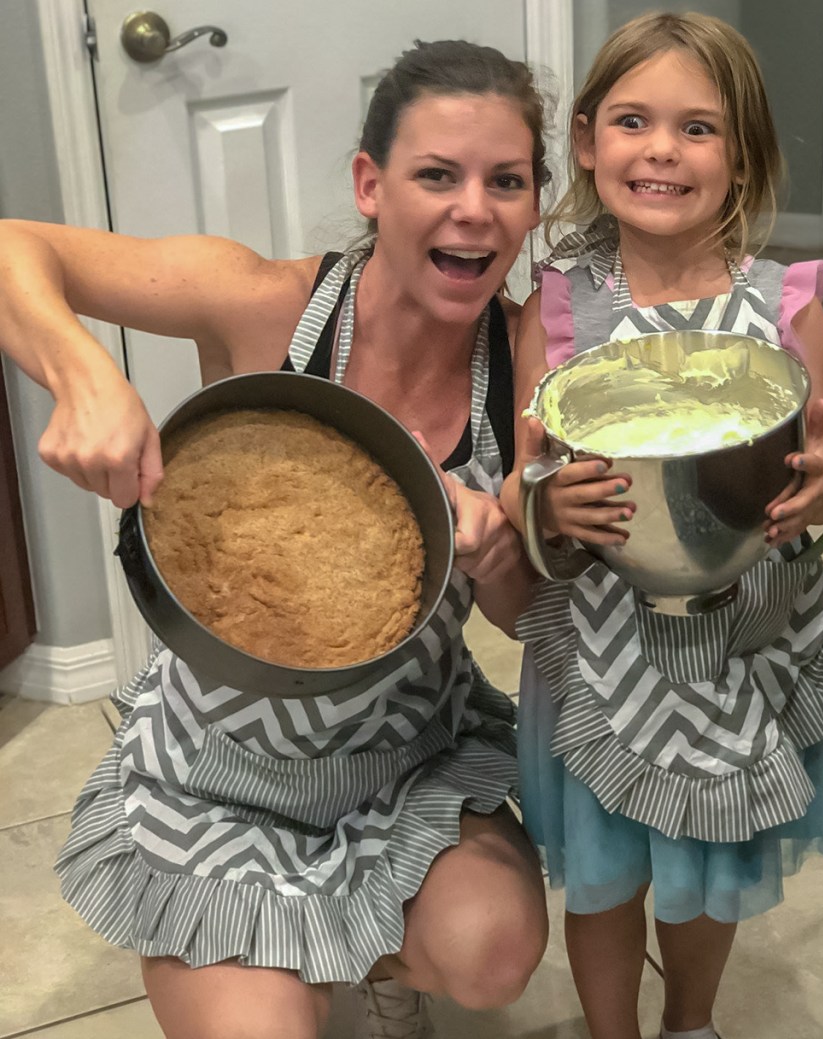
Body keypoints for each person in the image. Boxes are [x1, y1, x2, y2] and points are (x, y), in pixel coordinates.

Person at [0, 40, 551, 1039]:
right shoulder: (266, 305)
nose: (475, 208)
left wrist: (497, 550)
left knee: (493, 953)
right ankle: (287, 943)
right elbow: (8, 249)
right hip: (222, 773)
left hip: (404, 754)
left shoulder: (523, 357)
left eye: (505, 181)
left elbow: (521, 615)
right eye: (437, 174)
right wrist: (84, 373)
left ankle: (375, 946)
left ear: (533, 201)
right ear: (369, 185)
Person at [501, 13, 823, 1039]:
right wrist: (542, 502)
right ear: (585, 142)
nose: (661, 150)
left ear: (741, 155)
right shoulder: (560, 307)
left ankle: (689, 1022)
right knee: (606, 866)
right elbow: (522, 486)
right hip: (603, 644)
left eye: (697, 129)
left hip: (741, 636)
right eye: (631, 121)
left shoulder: (784, 309)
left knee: (709, 862)